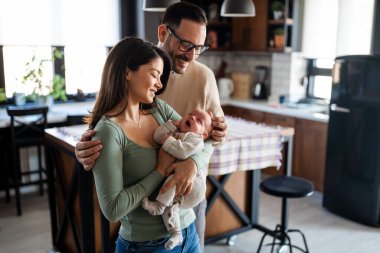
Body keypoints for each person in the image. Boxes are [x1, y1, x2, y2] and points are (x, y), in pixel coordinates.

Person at [75, 2, 228, 252]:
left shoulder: (167, 100)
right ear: (163, 33)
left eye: (199, 48)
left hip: (187, 221)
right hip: (147, 240)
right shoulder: (120, 120)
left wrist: (193, 164)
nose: (191, 54)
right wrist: (159, 169)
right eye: (186, 44)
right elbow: (112, 203)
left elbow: (211, 136)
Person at [87, 36, 208, 252]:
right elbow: (113, 210)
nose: (160, 84)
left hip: (188, 233)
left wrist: (193, 165)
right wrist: (159, 171)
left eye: (161, 77)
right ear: (127, 72)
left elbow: (200, 140)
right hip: (146, 245)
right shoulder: (108, 132)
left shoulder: (157, 108)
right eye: (154, 75)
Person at [142, 109, 213, 250]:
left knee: (174, 180)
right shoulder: (176, 132)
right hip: (183, 185)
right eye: (191, 114)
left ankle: (159, 206)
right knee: (173, 207)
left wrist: (167, 140)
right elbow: (157, 137)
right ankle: (176, 234)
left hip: (195, 185)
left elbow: (182, 151)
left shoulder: (196, 140)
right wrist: (169, 125)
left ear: (203, 134)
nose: (192, 117)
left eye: (198, 121)